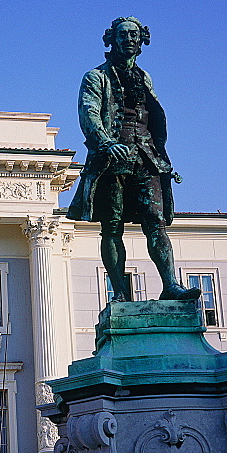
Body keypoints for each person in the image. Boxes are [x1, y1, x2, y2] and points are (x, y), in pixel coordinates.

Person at [67, 17, 201, 303]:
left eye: (135, 35)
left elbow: (151, 116)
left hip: (146, 156)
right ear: (111, 39)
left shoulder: (145, 77)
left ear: (142, 41)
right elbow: (88, 113)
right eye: (124, 34)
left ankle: (170, 285)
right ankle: (119, 293)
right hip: (111, 159)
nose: (130, 39)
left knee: (156, 221)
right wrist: (105, 143)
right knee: (112, 226)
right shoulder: (95, 77)